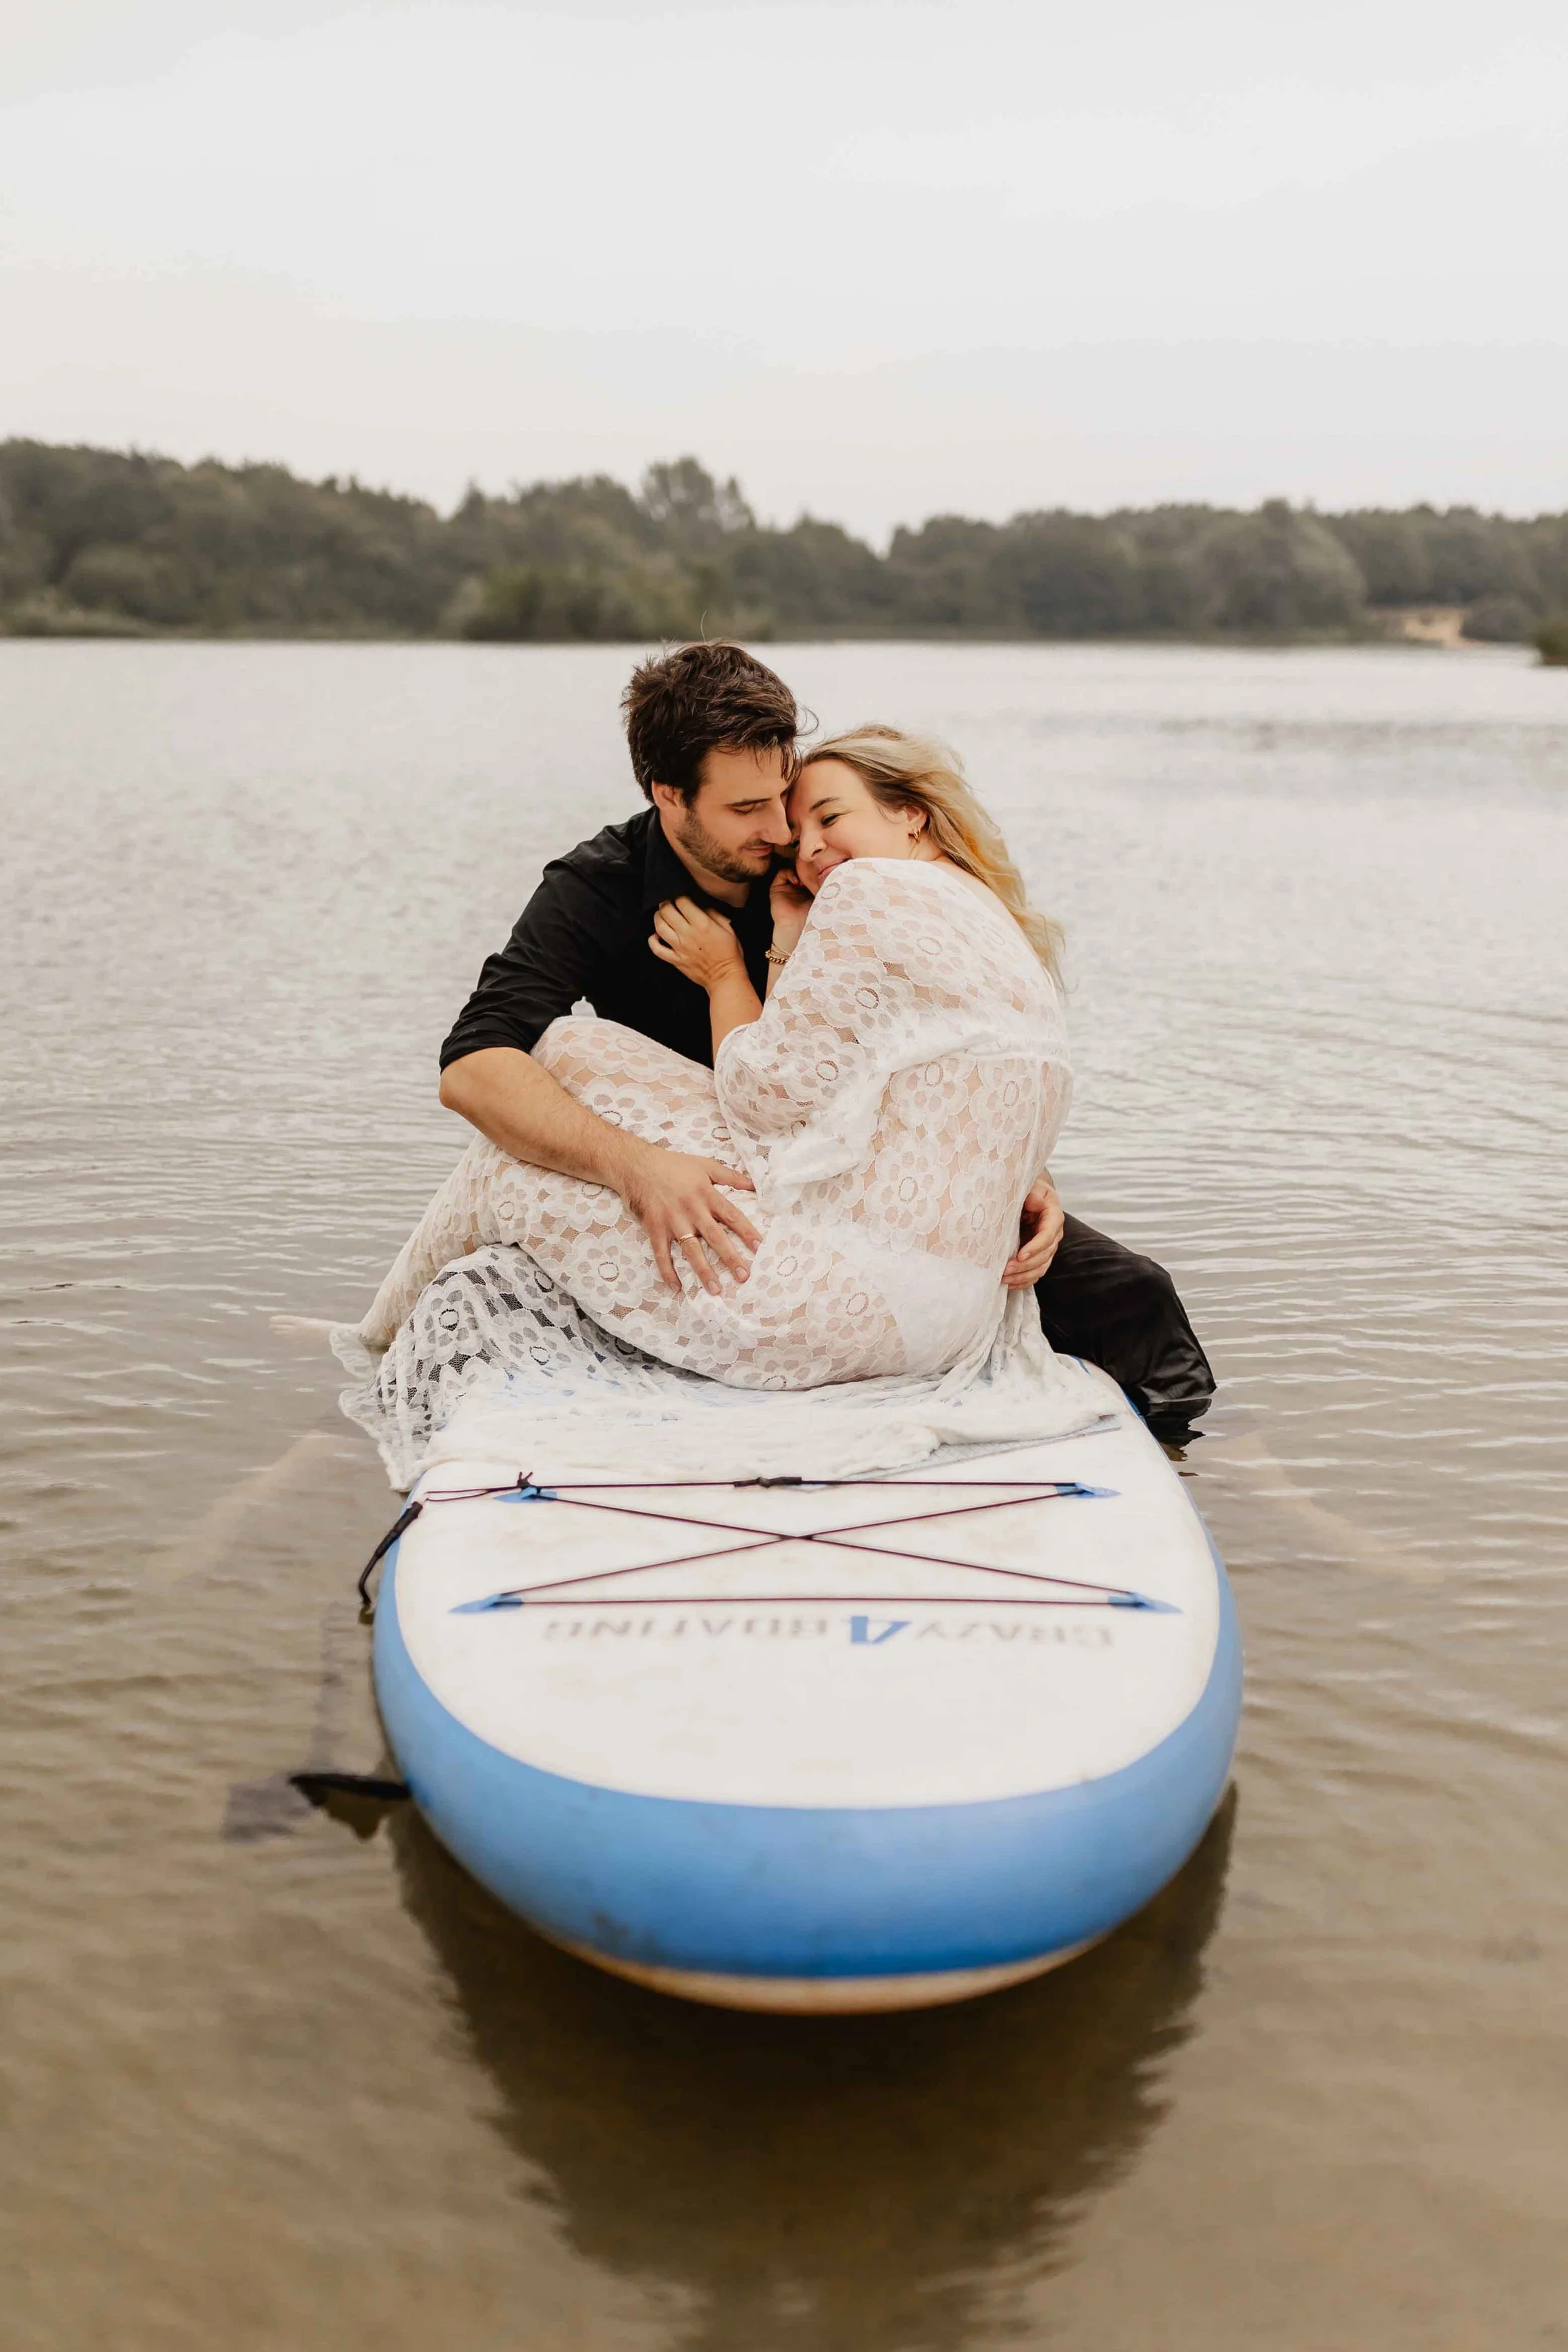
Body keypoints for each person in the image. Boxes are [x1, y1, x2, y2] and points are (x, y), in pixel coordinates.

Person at [410, 643, 1213, 1431]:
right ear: (668, 794)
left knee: (1132, 1292)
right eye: (745, 810)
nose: (782, 831)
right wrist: (638, 1170)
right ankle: (387, 1373)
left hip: (863, 1192)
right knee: (525, 1170)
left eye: (784, 796)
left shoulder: (829, 869)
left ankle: (1235, 1472)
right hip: (714, 1175)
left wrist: (1010, 1168)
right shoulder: (598, 889)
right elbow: (473, 1067)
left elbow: (951, 1043)